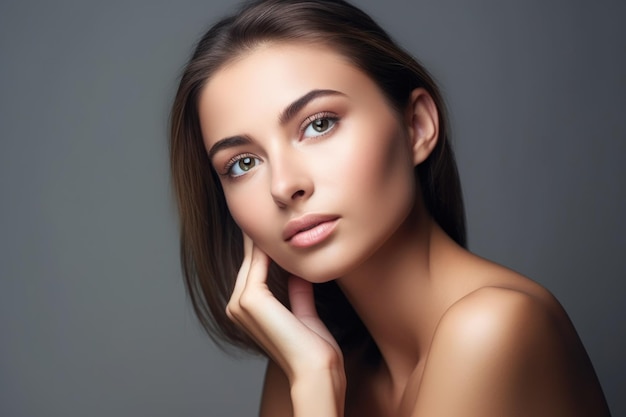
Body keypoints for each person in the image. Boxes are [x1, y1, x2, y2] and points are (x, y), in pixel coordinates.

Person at [169, 0, 611, 415]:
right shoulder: (308, 360)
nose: (284, 186)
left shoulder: (492, 329)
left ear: (417, 126)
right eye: (243, 163)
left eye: (319, 124)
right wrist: (311, 379)